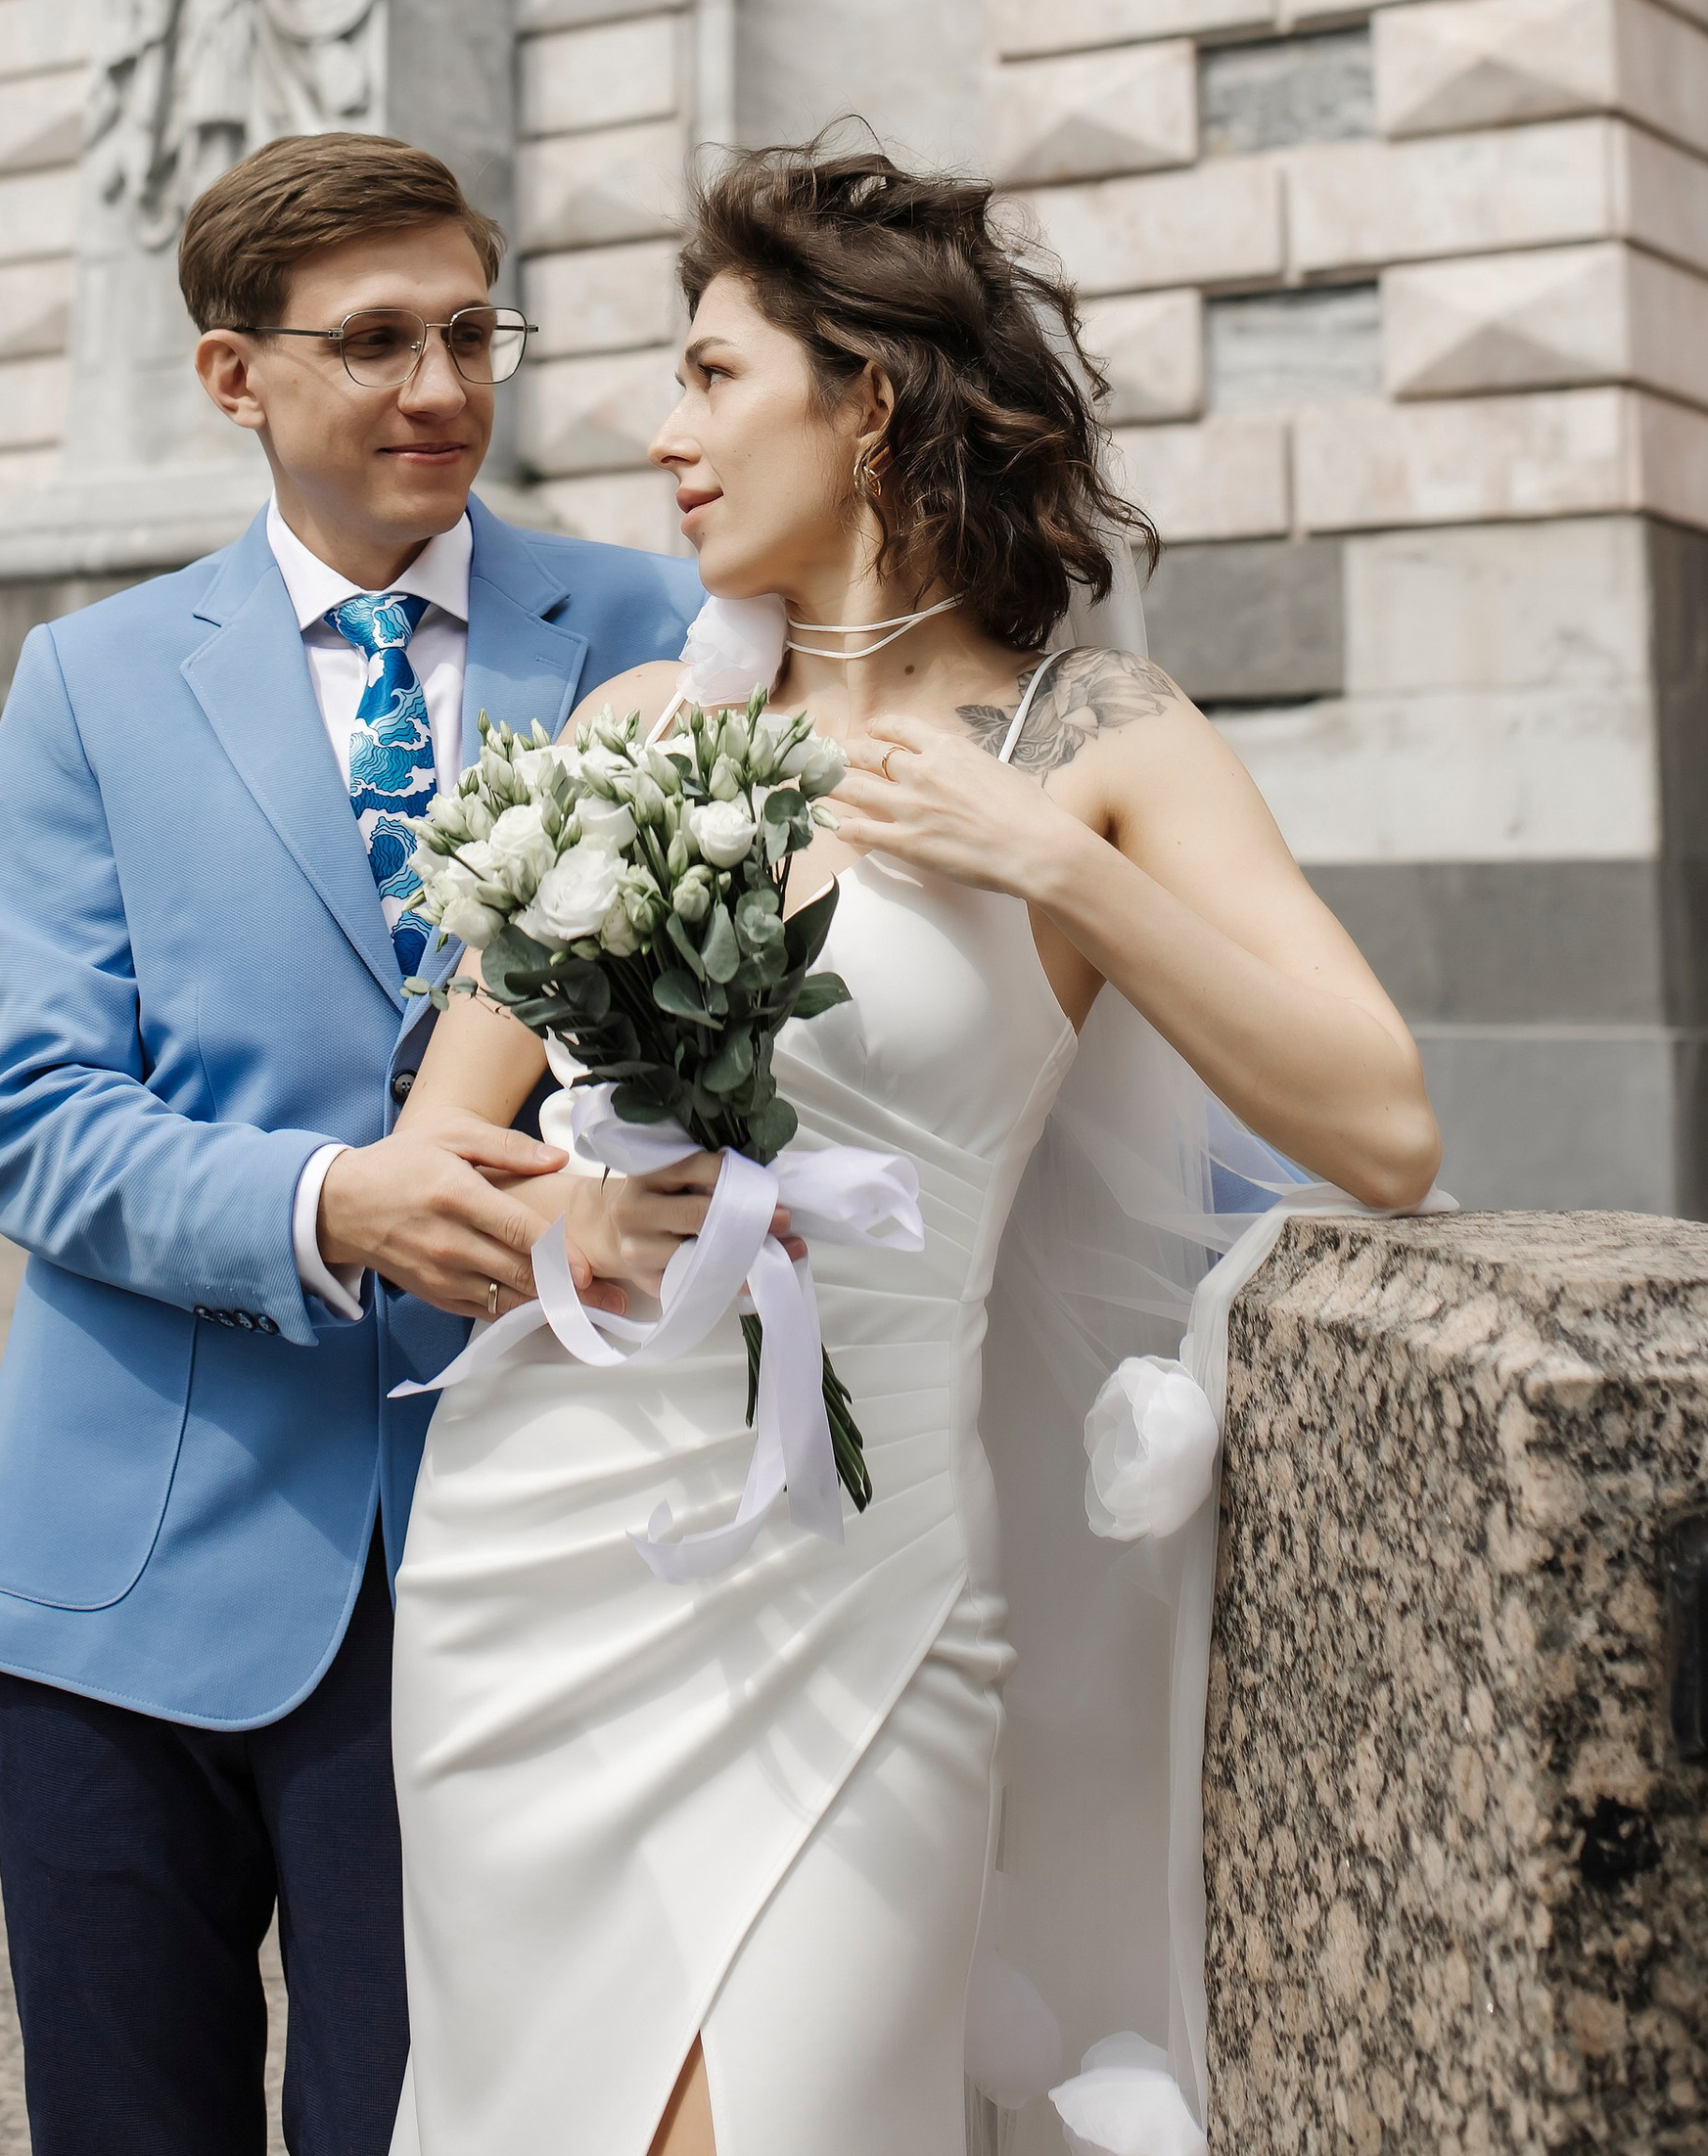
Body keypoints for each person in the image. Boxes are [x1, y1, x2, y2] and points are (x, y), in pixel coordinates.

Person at [386, 143, 1442, 2156]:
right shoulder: (629, 733)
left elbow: (1380, 1125)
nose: (657, 432)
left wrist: (1056, 869)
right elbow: (445, 1148)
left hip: (861, 1575)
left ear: (864, 398)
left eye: (707, 376)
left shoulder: (1097, 742)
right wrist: (581, 1211)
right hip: (542, 1551)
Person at [0, 129, 701, 2156]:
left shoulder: (669, 627)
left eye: (470, 331)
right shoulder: (92, 683)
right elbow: (29, 1121)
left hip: (522, 1554)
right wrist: (322, 1203)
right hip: (126, 1565)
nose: (441, 388)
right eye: (373, 342)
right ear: (231, 377)